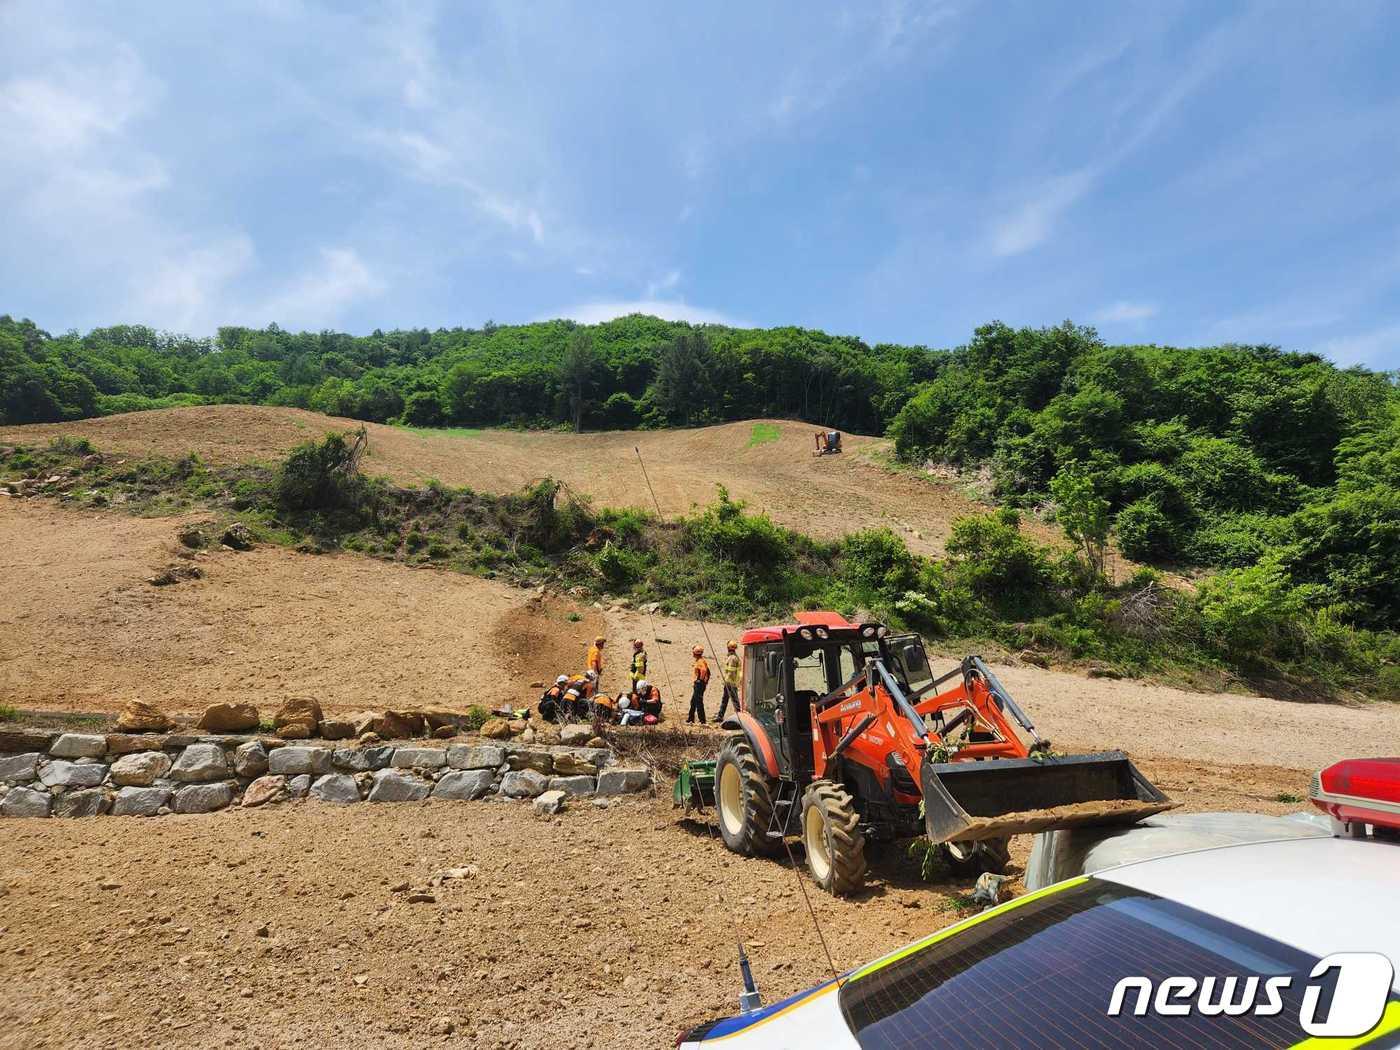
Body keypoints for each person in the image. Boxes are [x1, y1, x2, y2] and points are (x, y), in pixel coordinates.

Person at [716, 640, 741, 720]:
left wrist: (726, 682)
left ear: (728, 648)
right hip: (731, 682)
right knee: (725, 699)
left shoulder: (732, 658)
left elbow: (730, 672)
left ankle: (739, 717)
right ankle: (720, 716)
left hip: (730, 683)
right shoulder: (733, 657)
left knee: (734, 701)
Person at [687, 645, 710, 724]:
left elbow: (703, 670)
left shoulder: (700, 661)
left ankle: (702, 720)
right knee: (693, 701)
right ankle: (690, 719)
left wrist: (699, 680)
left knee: (698, 702)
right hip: (699, 684)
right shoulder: (700, 660)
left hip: (699, 684)